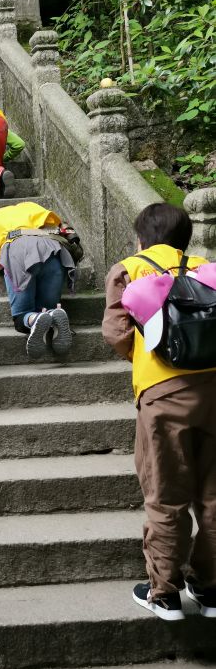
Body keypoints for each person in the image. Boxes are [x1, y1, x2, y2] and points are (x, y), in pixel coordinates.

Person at [102, 202, 216, 622]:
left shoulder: (129, 269)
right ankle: (209, 588)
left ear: (140, 238)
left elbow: (116, 333)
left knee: (165, 493)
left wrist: (153, 350)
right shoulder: (207, 268)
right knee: (213, 495)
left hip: (162, 394)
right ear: (187, 238)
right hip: (214, 389)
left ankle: (164, 592)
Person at [0, 201, 77, 360]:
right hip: (54, 252)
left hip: (19, 252)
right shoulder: (37, 210)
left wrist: (2, 267)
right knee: (46, 308)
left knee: (21, 316)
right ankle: (54, 314)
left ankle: (34, 319)